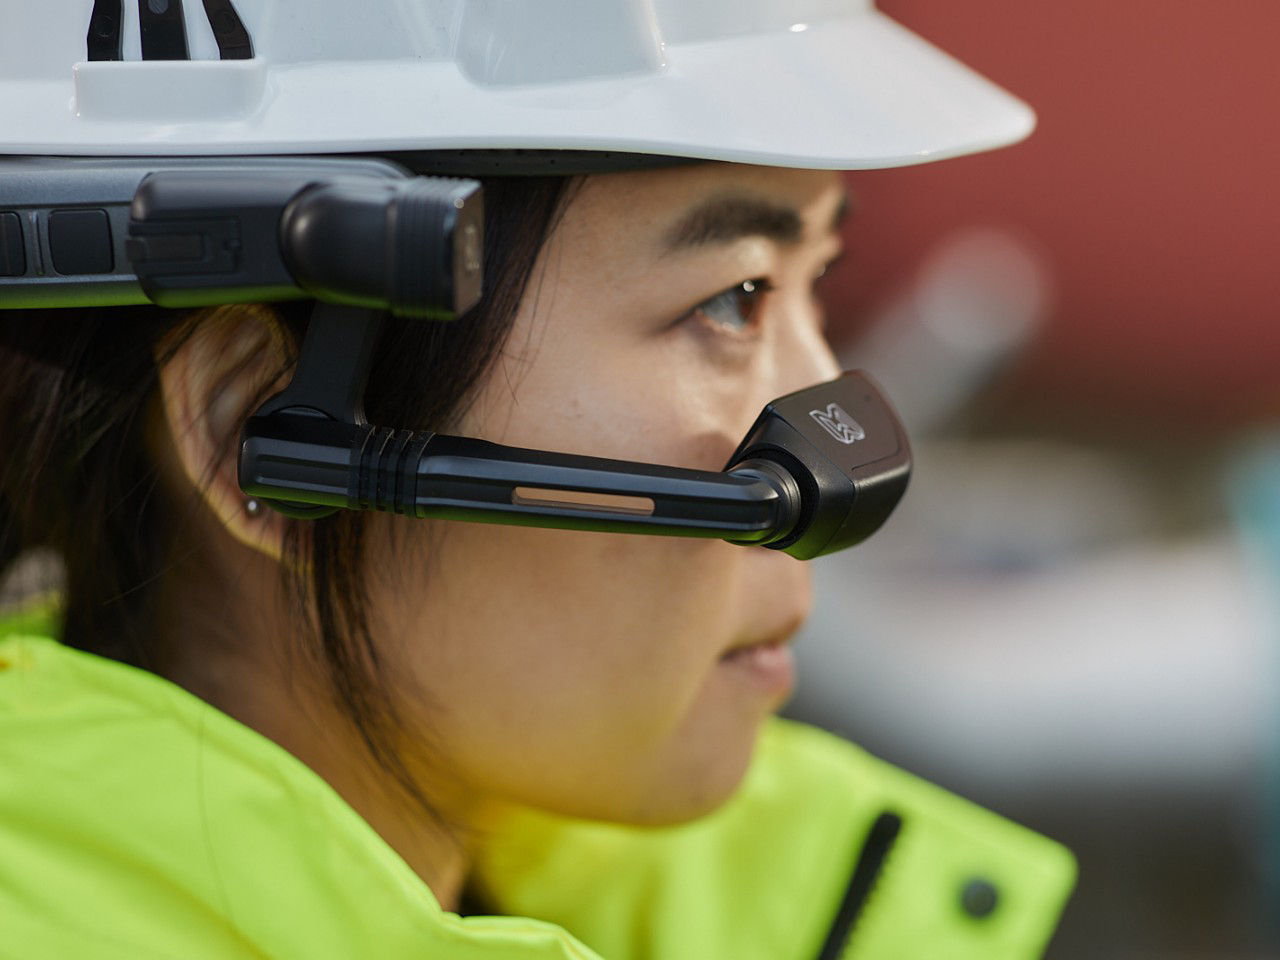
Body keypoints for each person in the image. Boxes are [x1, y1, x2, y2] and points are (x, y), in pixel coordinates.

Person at [0, 3, 1075, 957]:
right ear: (257, 435)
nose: (846, 452)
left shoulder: (767, 899)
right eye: (732, 298)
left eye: (816, 281)